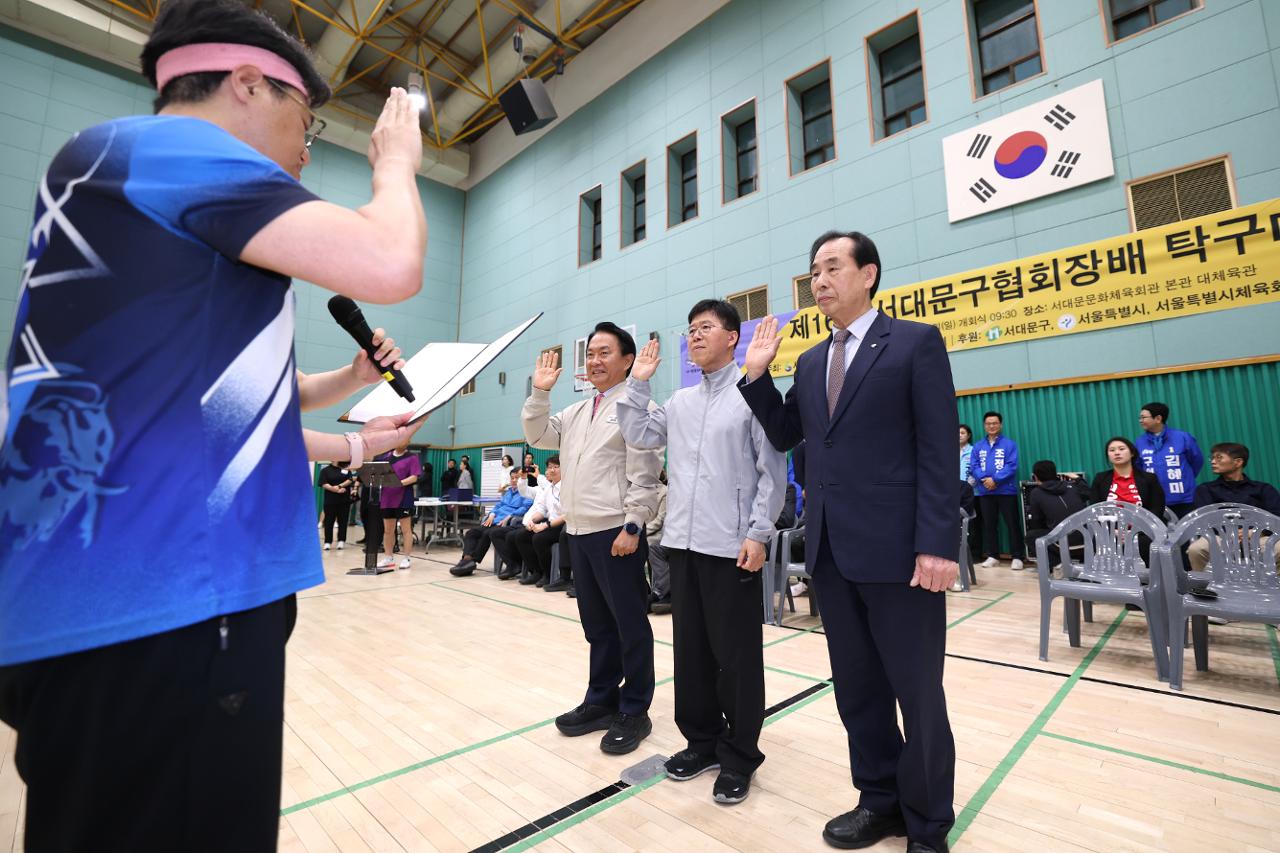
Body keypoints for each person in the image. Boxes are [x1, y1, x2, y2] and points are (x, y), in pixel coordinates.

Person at [0, 1, 429, 848]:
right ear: (246, 84)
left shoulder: (120, 181)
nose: (306, 151)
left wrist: (354, 409)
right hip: (169, 605)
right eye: (306, 121)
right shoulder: (173, 151)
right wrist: (397, 164)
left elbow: (231, 405)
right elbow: (392, 260)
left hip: (127, 608)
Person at [739, 230, 958, 853]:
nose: (820, 280)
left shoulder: (914, 342)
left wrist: (938, 543)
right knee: (858, 690)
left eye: (833, 267)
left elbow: (938, 448)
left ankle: (927, 824)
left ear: (869, 274)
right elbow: (787, 435)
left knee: (917, 693)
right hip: (833, 551)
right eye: (814, 271)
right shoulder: (811, 362)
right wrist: (757, 376)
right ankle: (879, 801)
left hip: (902, 552)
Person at [618, 298, 785, 805]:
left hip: (731, 546)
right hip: (682, 543)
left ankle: (740, 755)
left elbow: (771, 471)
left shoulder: (751, 393)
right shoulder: (681, 401)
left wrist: (759, 532)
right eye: (690, 329)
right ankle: (702, 742)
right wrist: (638, 384)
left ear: (732, 337)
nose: (694, 335)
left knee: (736, 658)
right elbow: (638, 433)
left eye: (705, 327)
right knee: (691, 653)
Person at [523, 322, 663, 756]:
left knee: (630, 625)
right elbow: (537, 435)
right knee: (598, 627)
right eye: (590, 354)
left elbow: (646, 474)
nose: (595, 361)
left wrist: (633, 524)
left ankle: (635, 709)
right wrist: (540, 393)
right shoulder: (578, 411)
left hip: (616, 532)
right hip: (579, 531)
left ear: (628, 360)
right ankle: (601, 699)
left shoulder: (638, 408)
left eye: (605, 353)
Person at [1189, 443, 1280, 571]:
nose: (1213, 462)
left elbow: (1276, 516)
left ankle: (1275, 583)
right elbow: (1204, 518)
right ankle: (1205, 583)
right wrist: (1228, 533)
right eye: (1212, 458)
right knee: (1196, 549)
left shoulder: (1264, 489)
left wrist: (1255, 532)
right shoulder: (1205, 489)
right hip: (1219, 537)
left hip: (1258, 536)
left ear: (1238, 462)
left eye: (1219, 457)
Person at [449, 469, 531, 576]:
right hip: (494, 519)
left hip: (506, 522)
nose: (514, 480)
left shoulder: (527, 492)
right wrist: (492, 514)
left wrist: (510, 516)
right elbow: (498, 506)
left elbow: (525, 508)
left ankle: (470, 562)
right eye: (512, 478)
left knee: (487, 534)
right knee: (471, 533)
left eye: (517, 478)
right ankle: (467, 559)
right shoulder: (508, 492)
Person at [970, 411, 1025, 570]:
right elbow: (974, 466)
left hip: (1006, 491)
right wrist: (985, 480)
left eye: (994, 423)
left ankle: (1017, 556)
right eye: (988, 423)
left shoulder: (1009, 444)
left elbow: (1011, 465)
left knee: (1012, 524)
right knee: (989, 525)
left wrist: (995, 480)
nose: (991, 426)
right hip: (985, 491)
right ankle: (993, 555)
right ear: (984, 425)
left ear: (1000, 425)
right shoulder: (978, 446)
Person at [1137, 402, 1204, 518]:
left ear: (1158, 418)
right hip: (1155, 500)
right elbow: (1138, 467)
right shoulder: (1140, 442)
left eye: (1143, 417)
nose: (1140, 420)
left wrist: (1185, 478)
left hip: (1184, 499)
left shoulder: (1182, 437)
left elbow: (1197, 461)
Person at [509, 456, 567, 586]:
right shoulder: (548, 489)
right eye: (550, 467)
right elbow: (541, 509)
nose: (552, 470)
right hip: (550, 523)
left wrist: (545, 525)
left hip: (563, 525)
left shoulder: (566, 487)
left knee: (539, 538)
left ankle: (547, 574)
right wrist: (532, 520)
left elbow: (567, 515)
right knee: (522, 536)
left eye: (556, 467)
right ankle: (536, 571)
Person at [1025, 460, 1086, 569]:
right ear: (1055, 474)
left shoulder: (1036, 493)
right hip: (1087, 541)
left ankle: (1057, 565)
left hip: (1062, 545)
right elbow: (1088, 493)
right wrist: (1078, 479)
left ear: (1035, 477)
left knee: (1031, 536)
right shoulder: (1072, 487)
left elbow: (1036, 522)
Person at [1090, 437, 1165, 515]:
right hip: (1108, 522)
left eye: (1121, 449)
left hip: (1142, 522)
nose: (1117, 453)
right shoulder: (1100, 478)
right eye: (1112, 450)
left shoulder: (1149, 478)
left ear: (1132, 453)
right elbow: (1094, 508)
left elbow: (1157, 508)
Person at [376, 443, 421, 570]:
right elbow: (379, 475)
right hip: (387, 498)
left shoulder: (412, 457)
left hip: (404, 498)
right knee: (388, 530)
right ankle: (388, 557)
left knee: (406, 529)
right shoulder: (385, 458)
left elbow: (414, 477)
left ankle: (406, 558)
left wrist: (398, 483)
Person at [647, 471, 671, 614]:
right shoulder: (641, 492)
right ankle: (645, 589)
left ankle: (659, 592)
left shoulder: (664, 492)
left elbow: (659, 521)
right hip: (642, 532)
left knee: (649, 545)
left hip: (657, 533)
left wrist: (640, 532)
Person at [319, 461, 355, 551]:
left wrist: (339, 486)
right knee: (329, 521)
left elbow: (350, 479)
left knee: (343, 520)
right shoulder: (325, 470)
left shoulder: (345, 468)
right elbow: (323, 483)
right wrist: (335, 490)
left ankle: (341, 540)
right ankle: (327, 542)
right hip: (330, 500)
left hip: (344, 499)